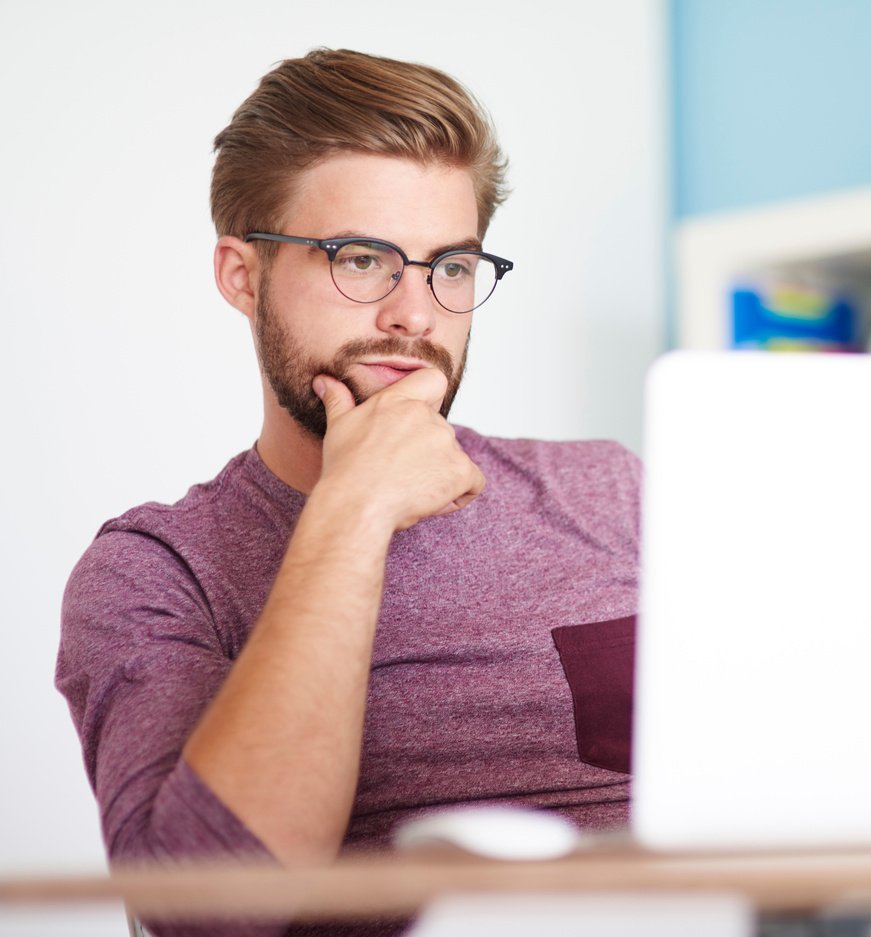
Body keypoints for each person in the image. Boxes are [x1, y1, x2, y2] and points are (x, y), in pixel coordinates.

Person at [55, 48, 640, 931]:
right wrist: (354, 508)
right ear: (241, 276)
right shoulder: (154, 569)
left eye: (449, 266)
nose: (415, 312)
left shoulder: (610, 491)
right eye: (361, 259)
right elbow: (207, 913)